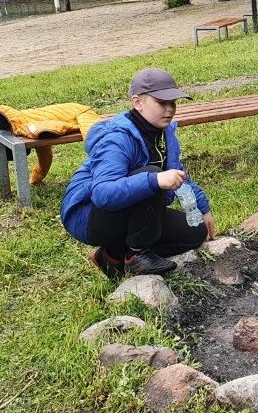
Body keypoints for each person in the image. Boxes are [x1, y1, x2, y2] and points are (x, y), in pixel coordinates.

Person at [59, 68, 215, 277]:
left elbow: (177, 173)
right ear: (137, 102)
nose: (170, 109)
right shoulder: (117, 139)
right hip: (88, 217)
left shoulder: (165, 133)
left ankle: (111, 257)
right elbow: (103, 194)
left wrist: (203, 208)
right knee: (152, 175)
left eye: (173, 103)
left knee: (195, 233)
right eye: (162, 102)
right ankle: (137, 256)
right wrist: (154, 180)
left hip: (133, 211)